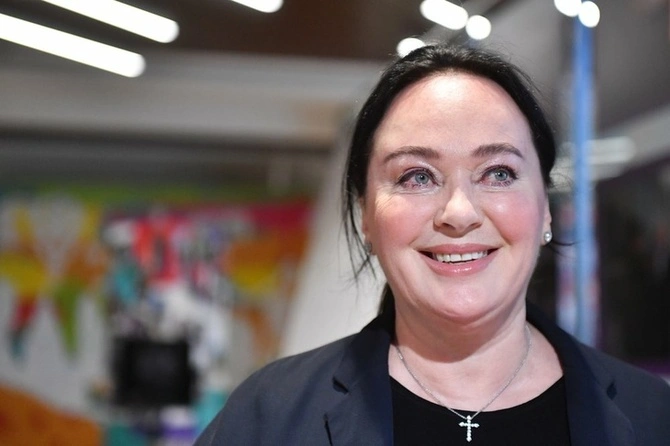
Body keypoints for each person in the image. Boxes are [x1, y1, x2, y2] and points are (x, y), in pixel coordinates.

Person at [196, 44, 670, 445]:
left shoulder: (653, 416)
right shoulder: (269, 418)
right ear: (365, 215)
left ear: (545, 207)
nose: (459, 212)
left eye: (498, 173)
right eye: (417, 177)